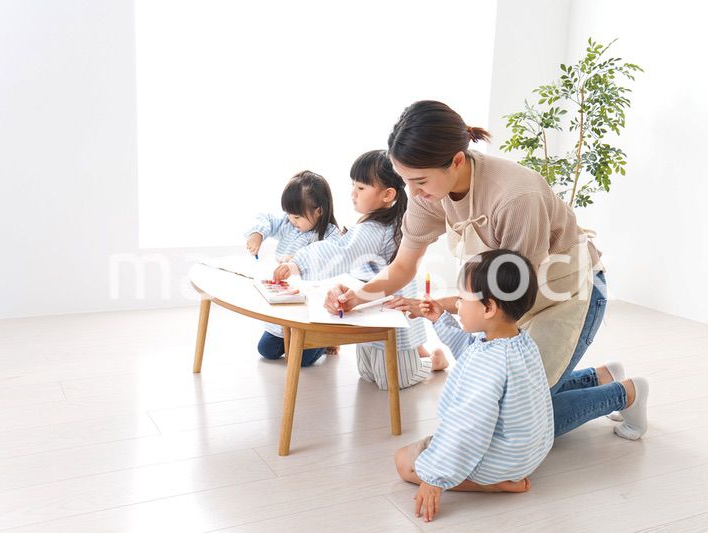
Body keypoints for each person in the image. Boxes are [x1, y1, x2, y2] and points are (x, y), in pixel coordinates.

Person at [325, 100, 649, 440]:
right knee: (498, 401)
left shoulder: (515, 196)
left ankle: (626, 393)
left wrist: (445, 306)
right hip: (509, 297)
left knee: (516, 424)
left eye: (419, 181)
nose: (414, 193)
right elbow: (403, 266)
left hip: (567, 292)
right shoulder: (427, 196)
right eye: (405, 180)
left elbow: (513, 292)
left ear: (456, 161)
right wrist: (356, 297)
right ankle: (601, 377)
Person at [395, 250, 553, 522]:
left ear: (489, 308)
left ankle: (495, 485)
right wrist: (440, 318)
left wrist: (435, 477)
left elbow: (468, 427)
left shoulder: (489, 364)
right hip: (528, 453)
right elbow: (469, 348)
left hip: (499, 461)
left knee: (402, 462)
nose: (456, 305)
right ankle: (503, 477)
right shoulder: (520, 342)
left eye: (461, 299)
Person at [273, 150, 447, 388]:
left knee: (393, 380)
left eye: (361, 188)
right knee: (368, 373)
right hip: (372, 302)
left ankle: (434, 361)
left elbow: (341, 252)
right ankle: (418, 355)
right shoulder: (377, 222)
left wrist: (298, 263)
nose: (353, 194)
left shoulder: (378, 228)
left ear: (388, 194)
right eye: (353, 186)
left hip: (388, 304)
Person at [245, 170, 340, 367]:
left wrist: (297, 261)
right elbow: (265, 219)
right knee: (267, 350)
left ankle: (329, 338)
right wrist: (257, 234)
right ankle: (291, 339)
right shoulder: (289, 225)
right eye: (288, 214)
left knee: (302, 360)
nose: (291, 220)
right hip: (286, 302)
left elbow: (328, 257)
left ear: (319, 211)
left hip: (312, 309)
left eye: (296, 216)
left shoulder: (330, 235)